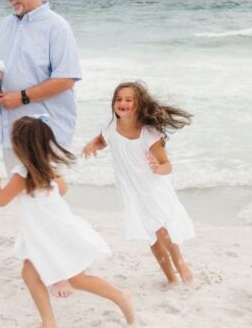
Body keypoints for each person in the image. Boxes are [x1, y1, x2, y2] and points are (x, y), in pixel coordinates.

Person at [0, 116, 135, 328]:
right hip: (55, 228)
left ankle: (120, 296)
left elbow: (1, 200)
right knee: (30, 273)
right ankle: (49, 323)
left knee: (76, 278)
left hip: (48, 233)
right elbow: (63, 189)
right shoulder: (48, 167)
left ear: (19, 145)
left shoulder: (21, 173)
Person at [82, 80, 194, 285]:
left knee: (162, 230)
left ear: (139, 104)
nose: (122, 103)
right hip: (131, 190)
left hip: (152, 188)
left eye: (128, 100)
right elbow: (102, 140)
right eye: (118, 99)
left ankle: (179, 262)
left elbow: (167, 165)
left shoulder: (148, 133)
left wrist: (158, 168)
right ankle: (171, 278)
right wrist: (92, 146)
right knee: (151, 235)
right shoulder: (110, 125)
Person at [0, 0, 81, 173]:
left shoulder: (57, 27)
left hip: (47, 136)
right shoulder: (2, 27)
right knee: (18, 193)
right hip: (11, 135)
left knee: (48, 193)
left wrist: (22, 97)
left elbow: (66, 79)